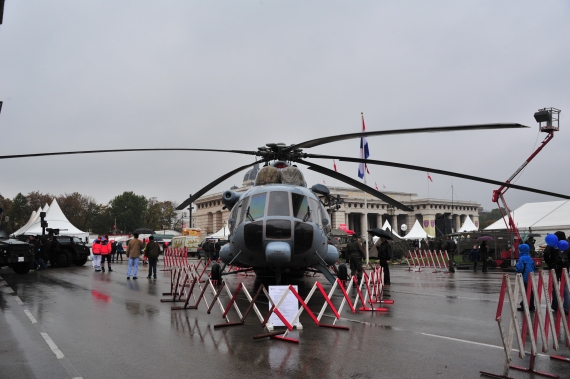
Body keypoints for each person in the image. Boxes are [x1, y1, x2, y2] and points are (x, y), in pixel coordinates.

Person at [543, 231, 570, 315]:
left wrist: (550, 264)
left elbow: (546, 253)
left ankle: (555, 306)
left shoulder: (553, 244)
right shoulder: (567, 244)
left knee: (555, 287)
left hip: (555, 268)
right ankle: (567, 308)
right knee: (565, 288)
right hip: (565, 268)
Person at [516, 244, 535, 311]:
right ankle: (531, 305)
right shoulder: (530, 258)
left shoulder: (521, 258)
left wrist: (516, 271)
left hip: (524, 276)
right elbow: (533, 267)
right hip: (530, 276)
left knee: (525, 291)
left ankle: (525, 305)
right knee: (530, 291)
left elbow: (520, 268)